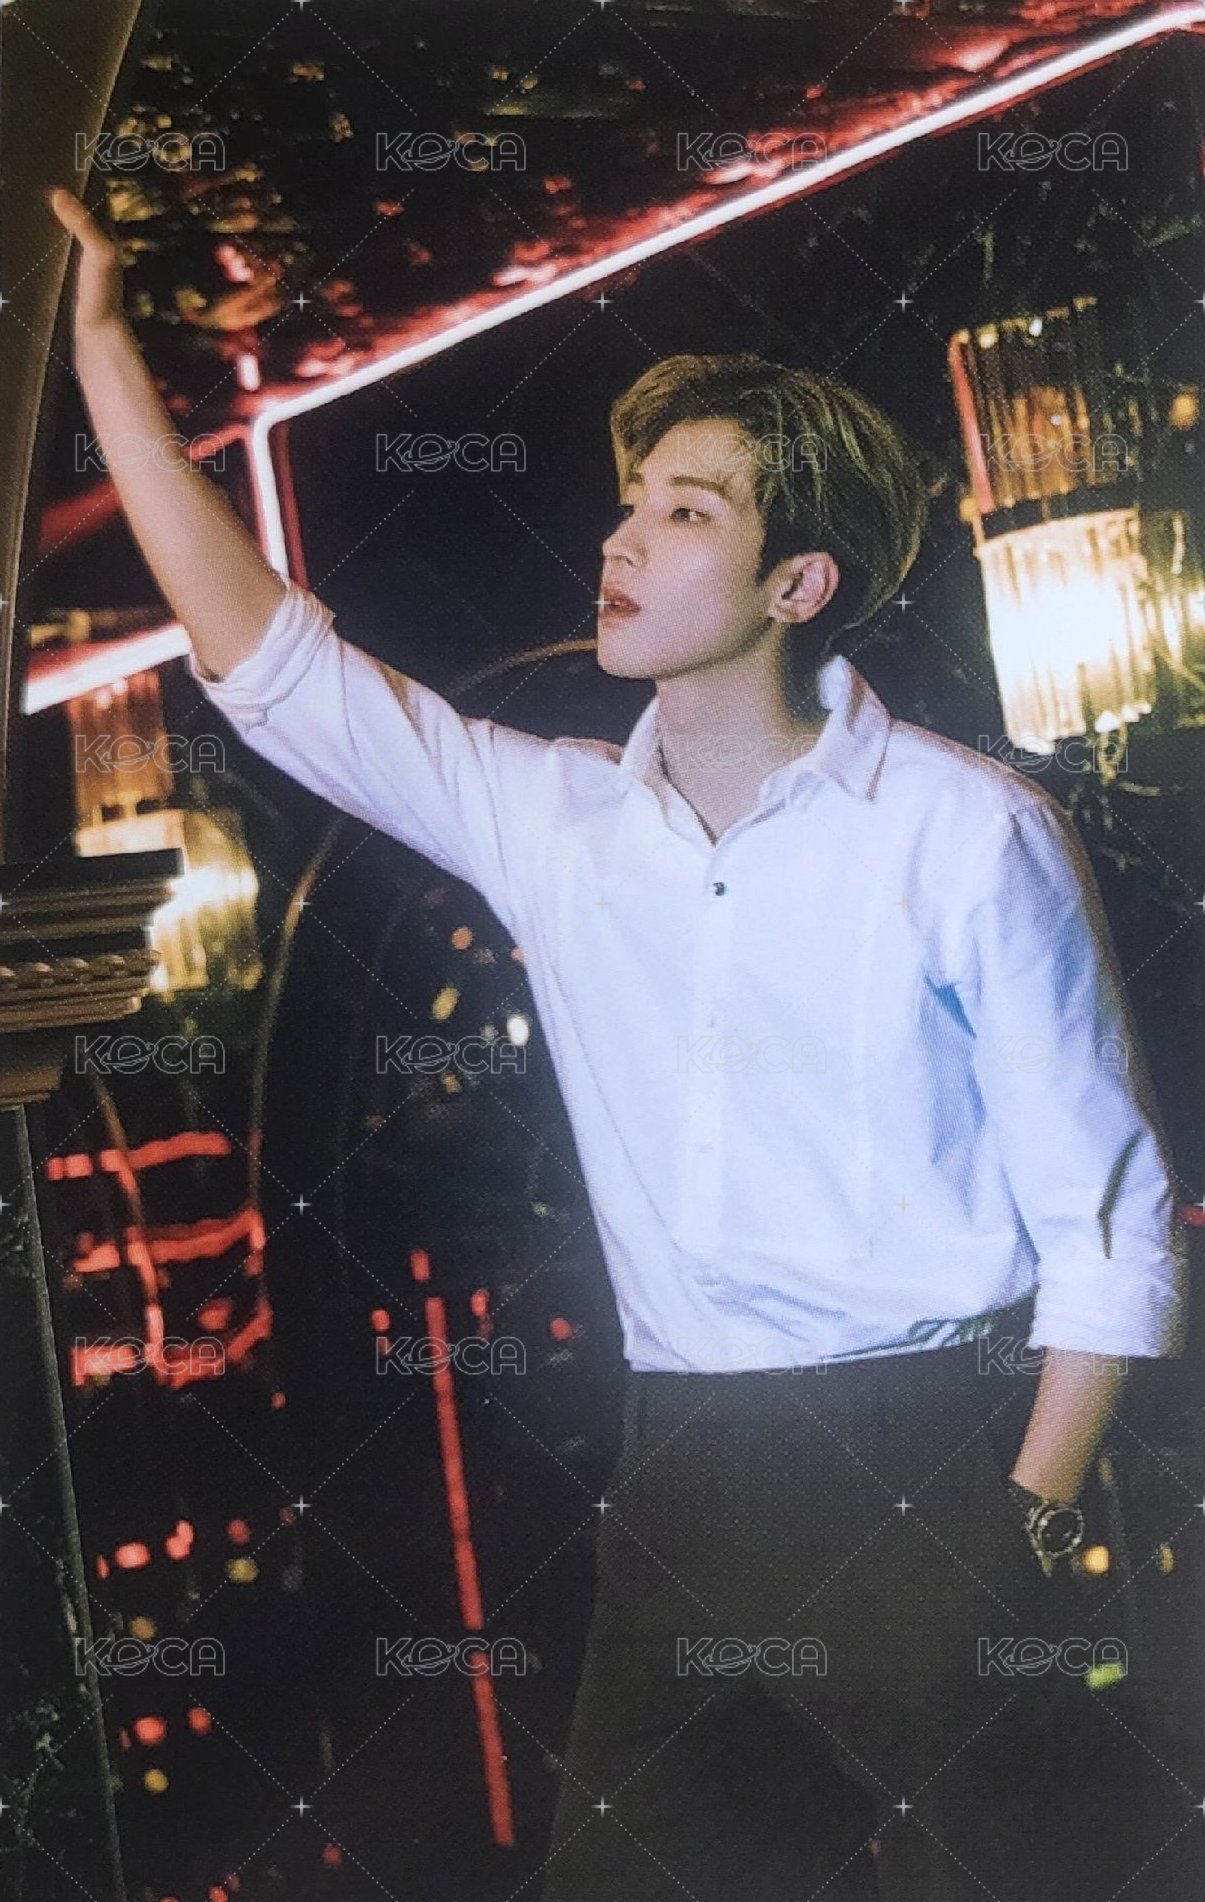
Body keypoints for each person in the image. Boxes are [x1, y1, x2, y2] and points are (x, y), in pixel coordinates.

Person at [48, 187, 1191, 1900]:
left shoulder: (964, 832)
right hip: (681, 1485)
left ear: (798, 581)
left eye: (683, 509)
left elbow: (1108, 1226)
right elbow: (274, 665)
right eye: (627, 503)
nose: (623, 540)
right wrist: (103, 359)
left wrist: (1018, 1518)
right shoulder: (552, 819)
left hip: (931, 1463)